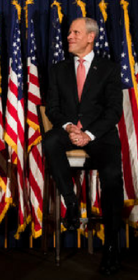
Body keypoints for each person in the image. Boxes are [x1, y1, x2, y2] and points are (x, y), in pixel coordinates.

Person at [44, 18, 123, 275]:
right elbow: (53, 108)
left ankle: (111, 247)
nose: (69, 36)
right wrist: (68, 127)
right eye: (69, 32)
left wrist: (88, 134)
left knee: (112, 177)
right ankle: (72, 203)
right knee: (50, 140)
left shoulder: (109, 69)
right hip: (69, 131)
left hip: (100, 135)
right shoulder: (58, 70)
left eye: (75, 32)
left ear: (90, 37)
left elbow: (113, 112)